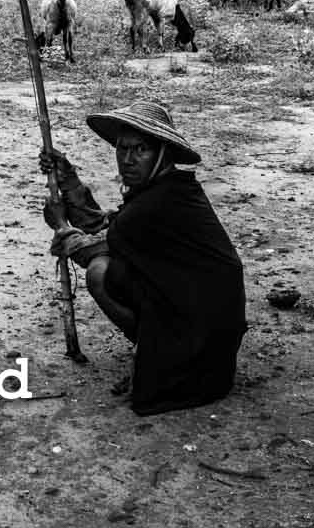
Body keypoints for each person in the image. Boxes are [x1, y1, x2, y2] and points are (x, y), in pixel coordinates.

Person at [39, 98, 248, 416]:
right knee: (114, 267)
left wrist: (61, 225)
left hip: (205, 333)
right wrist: (67, 177)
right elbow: (106, 225)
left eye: (140, 150)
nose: (128, 159)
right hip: (196, 312)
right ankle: (157, 346)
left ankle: (161, 356)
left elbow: (94, 245)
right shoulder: (167, 189)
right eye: (122, 149)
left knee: (100, 272)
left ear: (162, 153)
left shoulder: (159, 203)